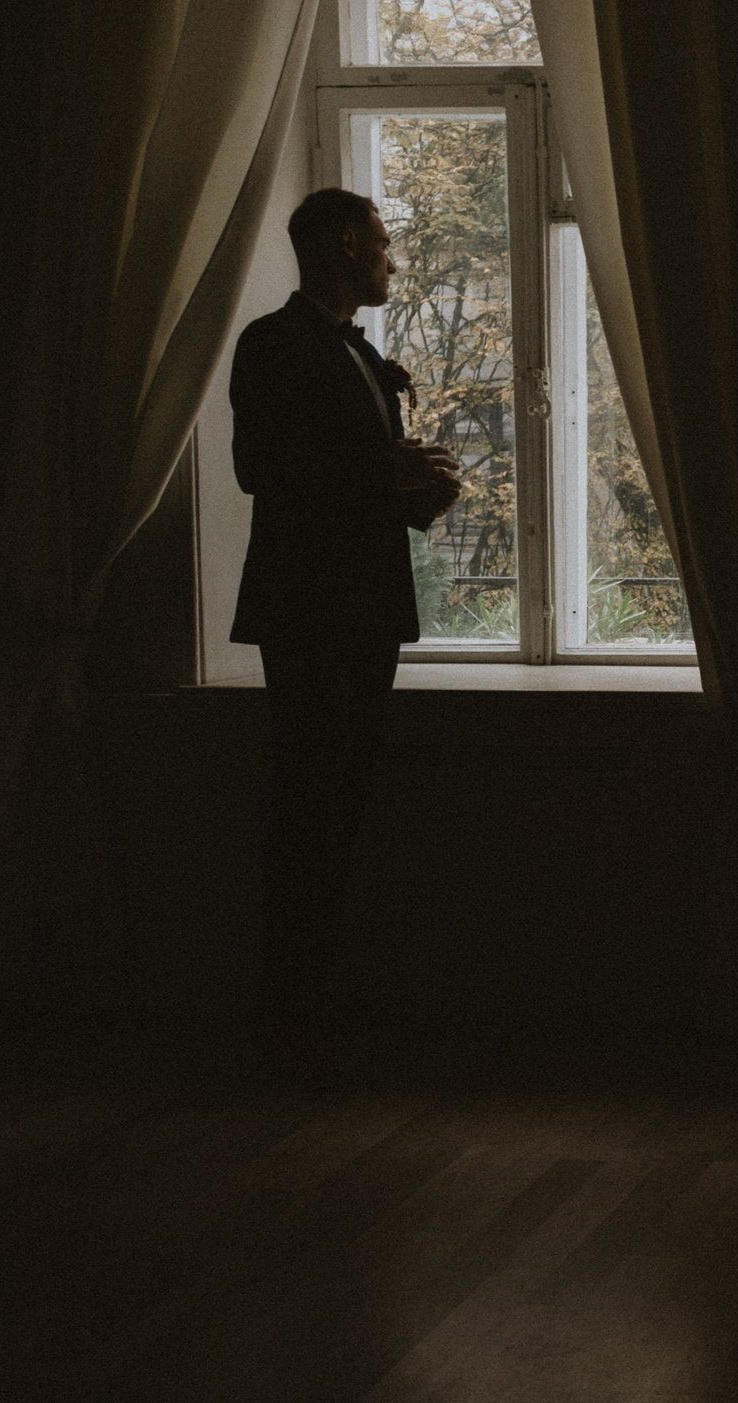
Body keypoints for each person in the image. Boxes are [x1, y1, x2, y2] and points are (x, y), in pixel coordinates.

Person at [229, 187, 461, 1018]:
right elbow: (263, 468)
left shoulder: (354, 354)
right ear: (344, 245)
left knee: (340, 804)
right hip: (311, 610)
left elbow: (331, 476)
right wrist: (384, 475)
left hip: (358, 608)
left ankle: (315, 1001)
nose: (393, 258)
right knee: (310, 807)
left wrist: (414, 491)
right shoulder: (272, 345)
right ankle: (293, 1008)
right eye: (382, 242)